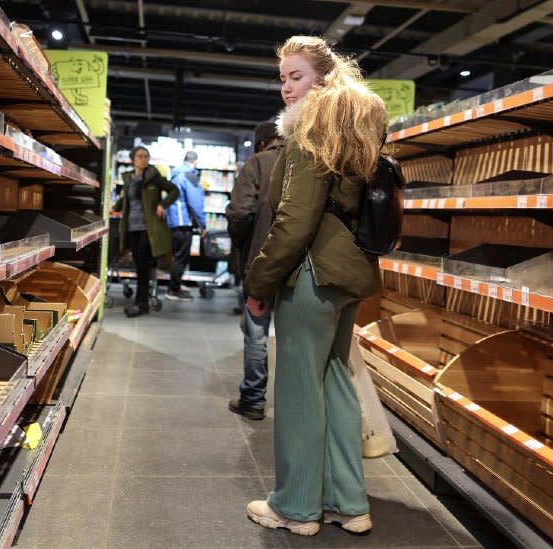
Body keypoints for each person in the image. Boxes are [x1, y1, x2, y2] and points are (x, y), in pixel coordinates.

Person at [242, 36, 387, 537]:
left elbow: (295, 221)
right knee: (335, 385)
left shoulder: (311, 133)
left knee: (301, 390)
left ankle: (296, 509)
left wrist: (259, 281)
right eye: (282, 77)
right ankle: (349, 504)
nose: (286, 87)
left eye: (295, 76)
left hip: (311, 275)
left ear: (322, 78)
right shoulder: (354, 131)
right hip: (349, 275)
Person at [225, 122, 284, 421]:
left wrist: (241, 244)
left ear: (261, 143)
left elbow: (240, 213)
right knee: (292, 337)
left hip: (260, 262)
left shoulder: (258, 163)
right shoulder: (305, 162)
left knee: (256, 331)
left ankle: (253, 399)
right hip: (298, 266)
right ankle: (294, 405)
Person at [112, 146, 180, 318]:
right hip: (131, 228)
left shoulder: (154, 177)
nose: (144, 159)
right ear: (132, 160)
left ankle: (140, 304)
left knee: (142, 265)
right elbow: (126, 199)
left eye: (146, 156)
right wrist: (114, 208)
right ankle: (142, 302)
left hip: (149, 230)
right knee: (139, 265)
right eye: (140, 156)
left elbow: (174, 190)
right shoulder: (128, 178)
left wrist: (162, 205)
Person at [165, 151, 206, 301]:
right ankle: (173, 289)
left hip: (174, 221)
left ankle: (176, 285)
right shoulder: (190, 174)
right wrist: (202, 223)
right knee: (181, 257)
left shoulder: (176, 174)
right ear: (195, 161)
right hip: (184, 221)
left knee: (177, 256)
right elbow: (195, 202)